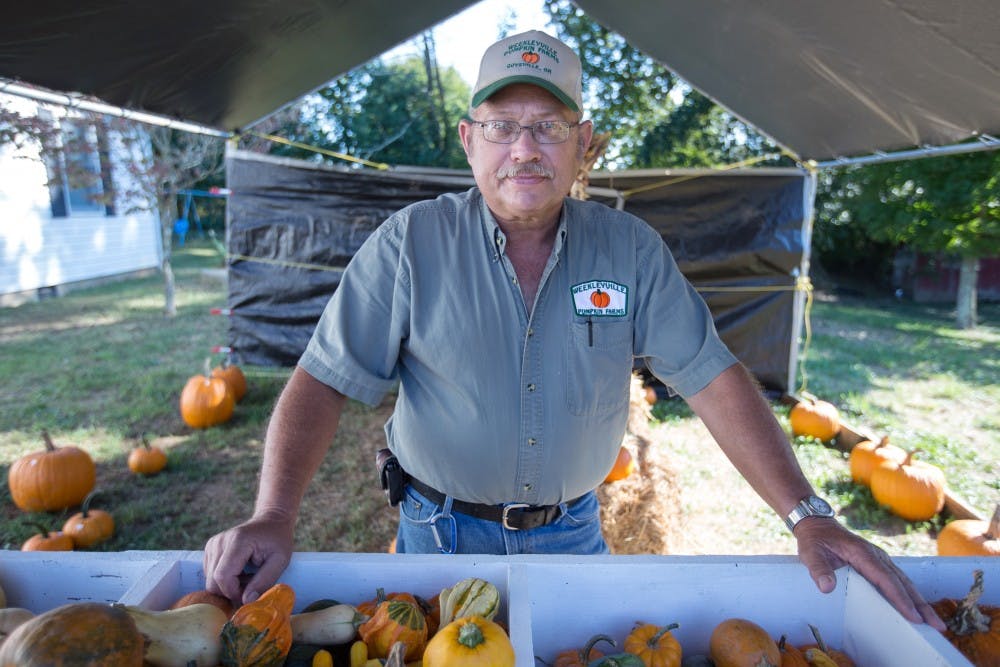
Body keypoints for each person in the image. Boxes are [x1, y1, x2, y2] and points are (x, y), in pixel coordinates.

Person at [203, 30, 943, 630]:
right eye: (502, 126)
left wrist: (807, 514)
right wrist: (274, 514)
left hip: (573, 532)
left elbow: (712, 376)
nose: (524, 148)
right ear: (468, 140)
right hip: (440, 531)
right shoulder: (410, 243)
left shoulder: (628, 250)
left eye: (548, 126)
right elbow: (325, 378)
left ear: (583, 143)